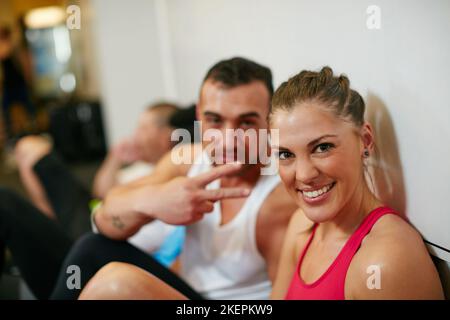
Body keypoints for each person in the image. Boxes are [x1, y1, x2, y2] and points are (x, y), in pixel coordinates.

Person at [50, 57, 298, 300]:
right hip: (184, 289)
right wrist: (154, 201)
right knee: (92, 247)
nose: (228, 139)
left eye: (246, 122)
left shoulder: (278, 200)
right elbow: (104, 218)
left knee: (117, 284)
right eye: (215, 120)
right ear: (200, 116)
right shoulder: (187, 161)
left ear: (270, 120)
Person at [268, 66, 444, 299]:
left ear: (365, 140)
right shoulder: (300, 226)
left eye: (322, 147)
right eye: (286, 154)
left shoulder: (386, 261)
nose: (303, 175)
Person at [0, 102, 183, 299]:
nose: (136, 135)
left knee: (9, 194)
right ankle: (47, 222)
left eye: (144, 128)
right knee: (25, 152)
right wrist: (115, 157)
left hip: (91, 246)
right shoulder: (139, 169)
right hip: (88, 230)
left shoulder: (172, 180)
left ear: (166, 135)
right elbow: (100, 191)